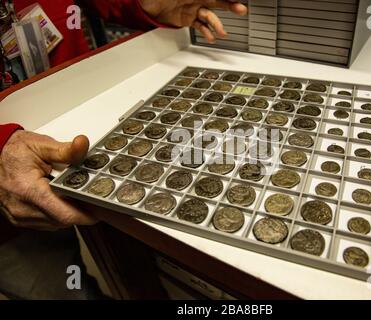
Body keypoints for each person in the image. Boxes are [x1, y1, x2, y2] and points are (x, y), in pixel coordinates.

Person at [0, 0, 247, 299]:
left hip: (86, 126)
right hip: (8, 220)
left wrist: (141, 5)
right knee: (55, 289)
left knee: (122, 264)